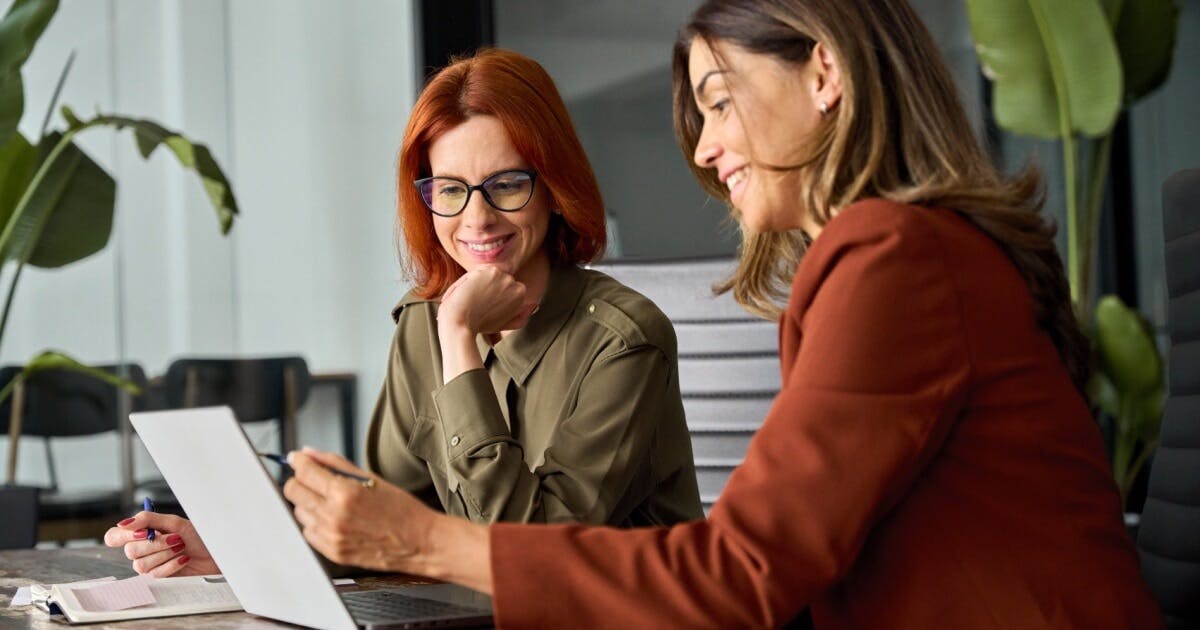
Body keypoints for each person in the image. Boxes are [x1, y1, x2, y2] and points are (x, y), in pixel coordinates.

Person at [276, 1, 1164, 627]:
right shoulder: (892, 258)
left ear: (824, 70)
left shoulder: (898, 258)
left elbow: (740, 573)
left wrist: (429, 544)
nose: (703, 148)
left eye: (717, 100)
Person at [105, 49, 702, 577]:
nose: (477, 219)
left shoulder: (624, 341)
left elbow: (526, 553)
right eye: (450, 189)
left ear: (553, 186)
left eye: (507, 184)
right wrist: (233, 549)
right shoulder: (423, 323)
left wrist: (460, 338)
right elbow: (387, 519)